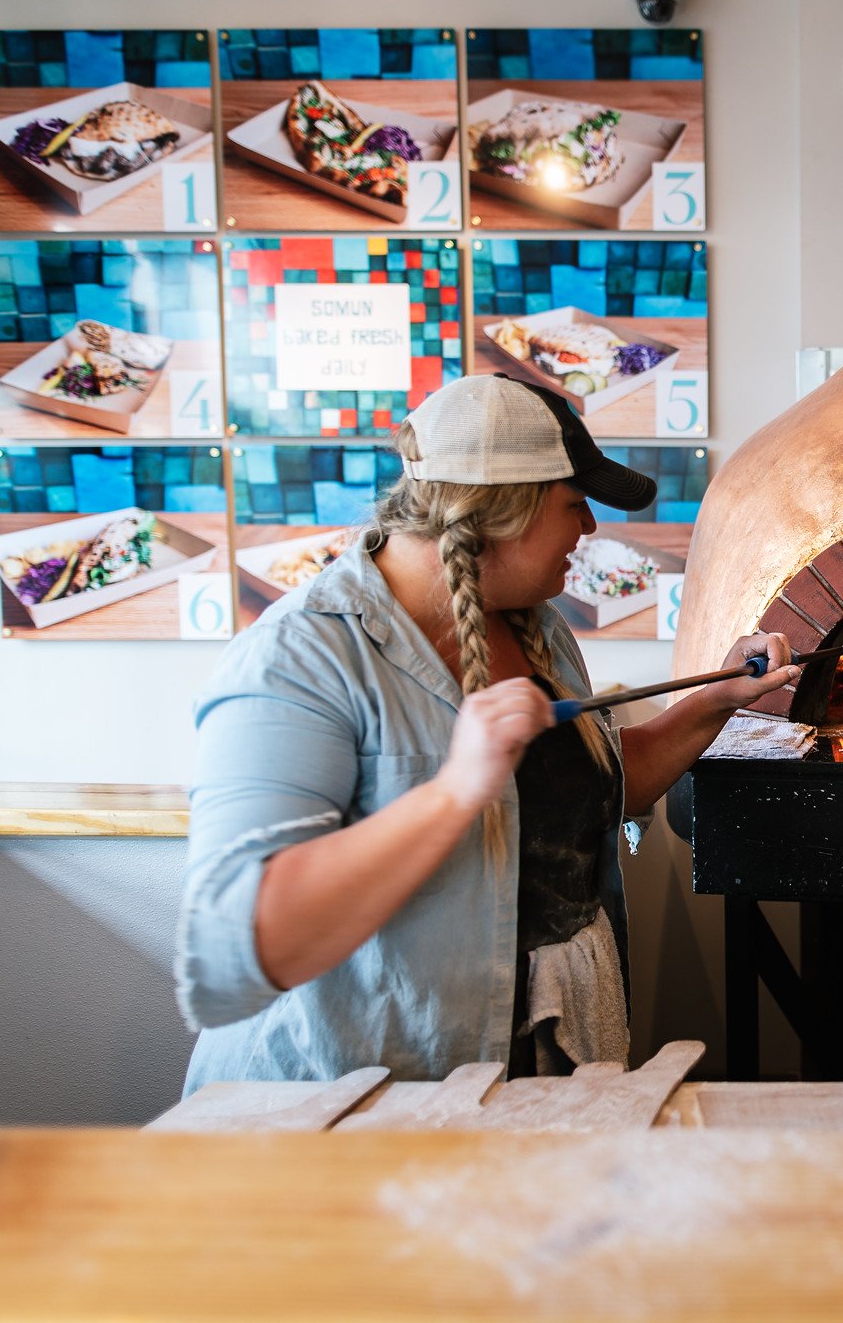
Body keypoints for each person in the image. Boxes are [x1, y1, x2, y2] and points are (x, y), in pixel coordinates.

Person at [174, 375, 798, 1090]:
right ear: (505, 508)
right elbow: (227, 955)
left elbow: (591, 791)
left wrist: (716, 698)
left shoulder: (539, 627)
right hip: (347, 1112)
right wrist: (454, 793)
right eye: (574, 504)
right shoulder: (299, 657)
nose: (589, 528)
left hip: (529, 1085)